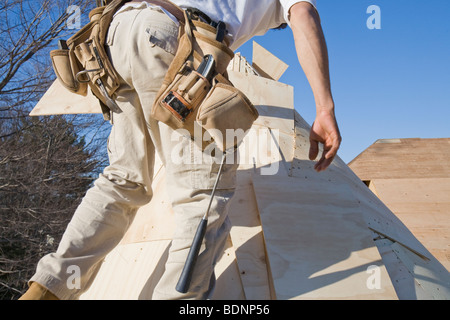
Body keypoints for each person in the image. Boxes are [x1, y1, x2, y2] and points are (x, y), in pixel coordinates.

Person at [20, 0, 341, 300]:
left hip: (113, 37)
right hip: (169, 39)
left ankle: (47, 290)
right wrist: (324, 108)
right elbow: (303, 15)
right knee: (202, 196)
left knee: (122, 181)